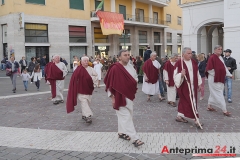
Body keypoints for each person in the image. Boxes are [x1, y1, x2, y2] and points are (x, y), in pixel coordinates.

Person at [104, 49, 144, 147]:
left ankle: (121, 133)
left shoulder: (131, 67)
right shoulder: (115, 68)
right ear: (119, 57)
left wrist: (134, 87)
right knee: (126, 118)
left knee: (127, 116)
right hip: (118, 96)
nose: (127, 56)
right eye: (125, 55)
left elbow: (135, 78)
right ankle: (135, 139)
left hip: (129, 95)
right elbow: (110, 84)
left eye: (128, 55)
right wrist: (112, 98)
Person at [174, 47, 203, 128]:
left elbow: (197, 73)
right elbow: (174, 75)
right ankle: (196, 119)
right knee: (190, 101)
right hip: (184, 86)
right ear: (183, 54)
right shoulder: (179, 63)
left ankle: (179, 115)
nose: (190, 55)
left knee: (185, 101)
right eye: (188, 53)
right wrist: (181, 75)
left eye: (191, 53)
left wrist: (199, 84)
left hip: (193, 86)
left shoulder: (193, 62)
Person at [66, 56, 98, 123]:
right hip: (80, 90)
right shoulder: (78, 70)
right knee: (84, 102)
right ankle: (88, 116)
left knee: (88, 102)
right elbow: (74, 80)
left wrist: (90, 79)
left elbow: (96, 76)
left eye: (87, 61)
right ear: (81, 62)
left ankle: (84, 115)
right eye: (84, 61)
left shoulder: (91, 69)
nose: (86, 62)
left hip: (89, 89)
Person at [206, 45, 232, 116]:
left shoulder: (220, 57)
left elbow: (224, 68)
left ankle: (209, 106)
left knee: (213, 93)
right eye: (218, 49)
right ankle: (224, 110)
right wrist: (218, 74)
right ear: (214, 50)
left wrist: (229, 74)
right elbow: (209, 70)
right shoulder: (212, 57)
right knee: (219, 93)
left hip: (219, 78)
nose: (220, 50)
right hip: (214, 78)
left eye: (221, 49)